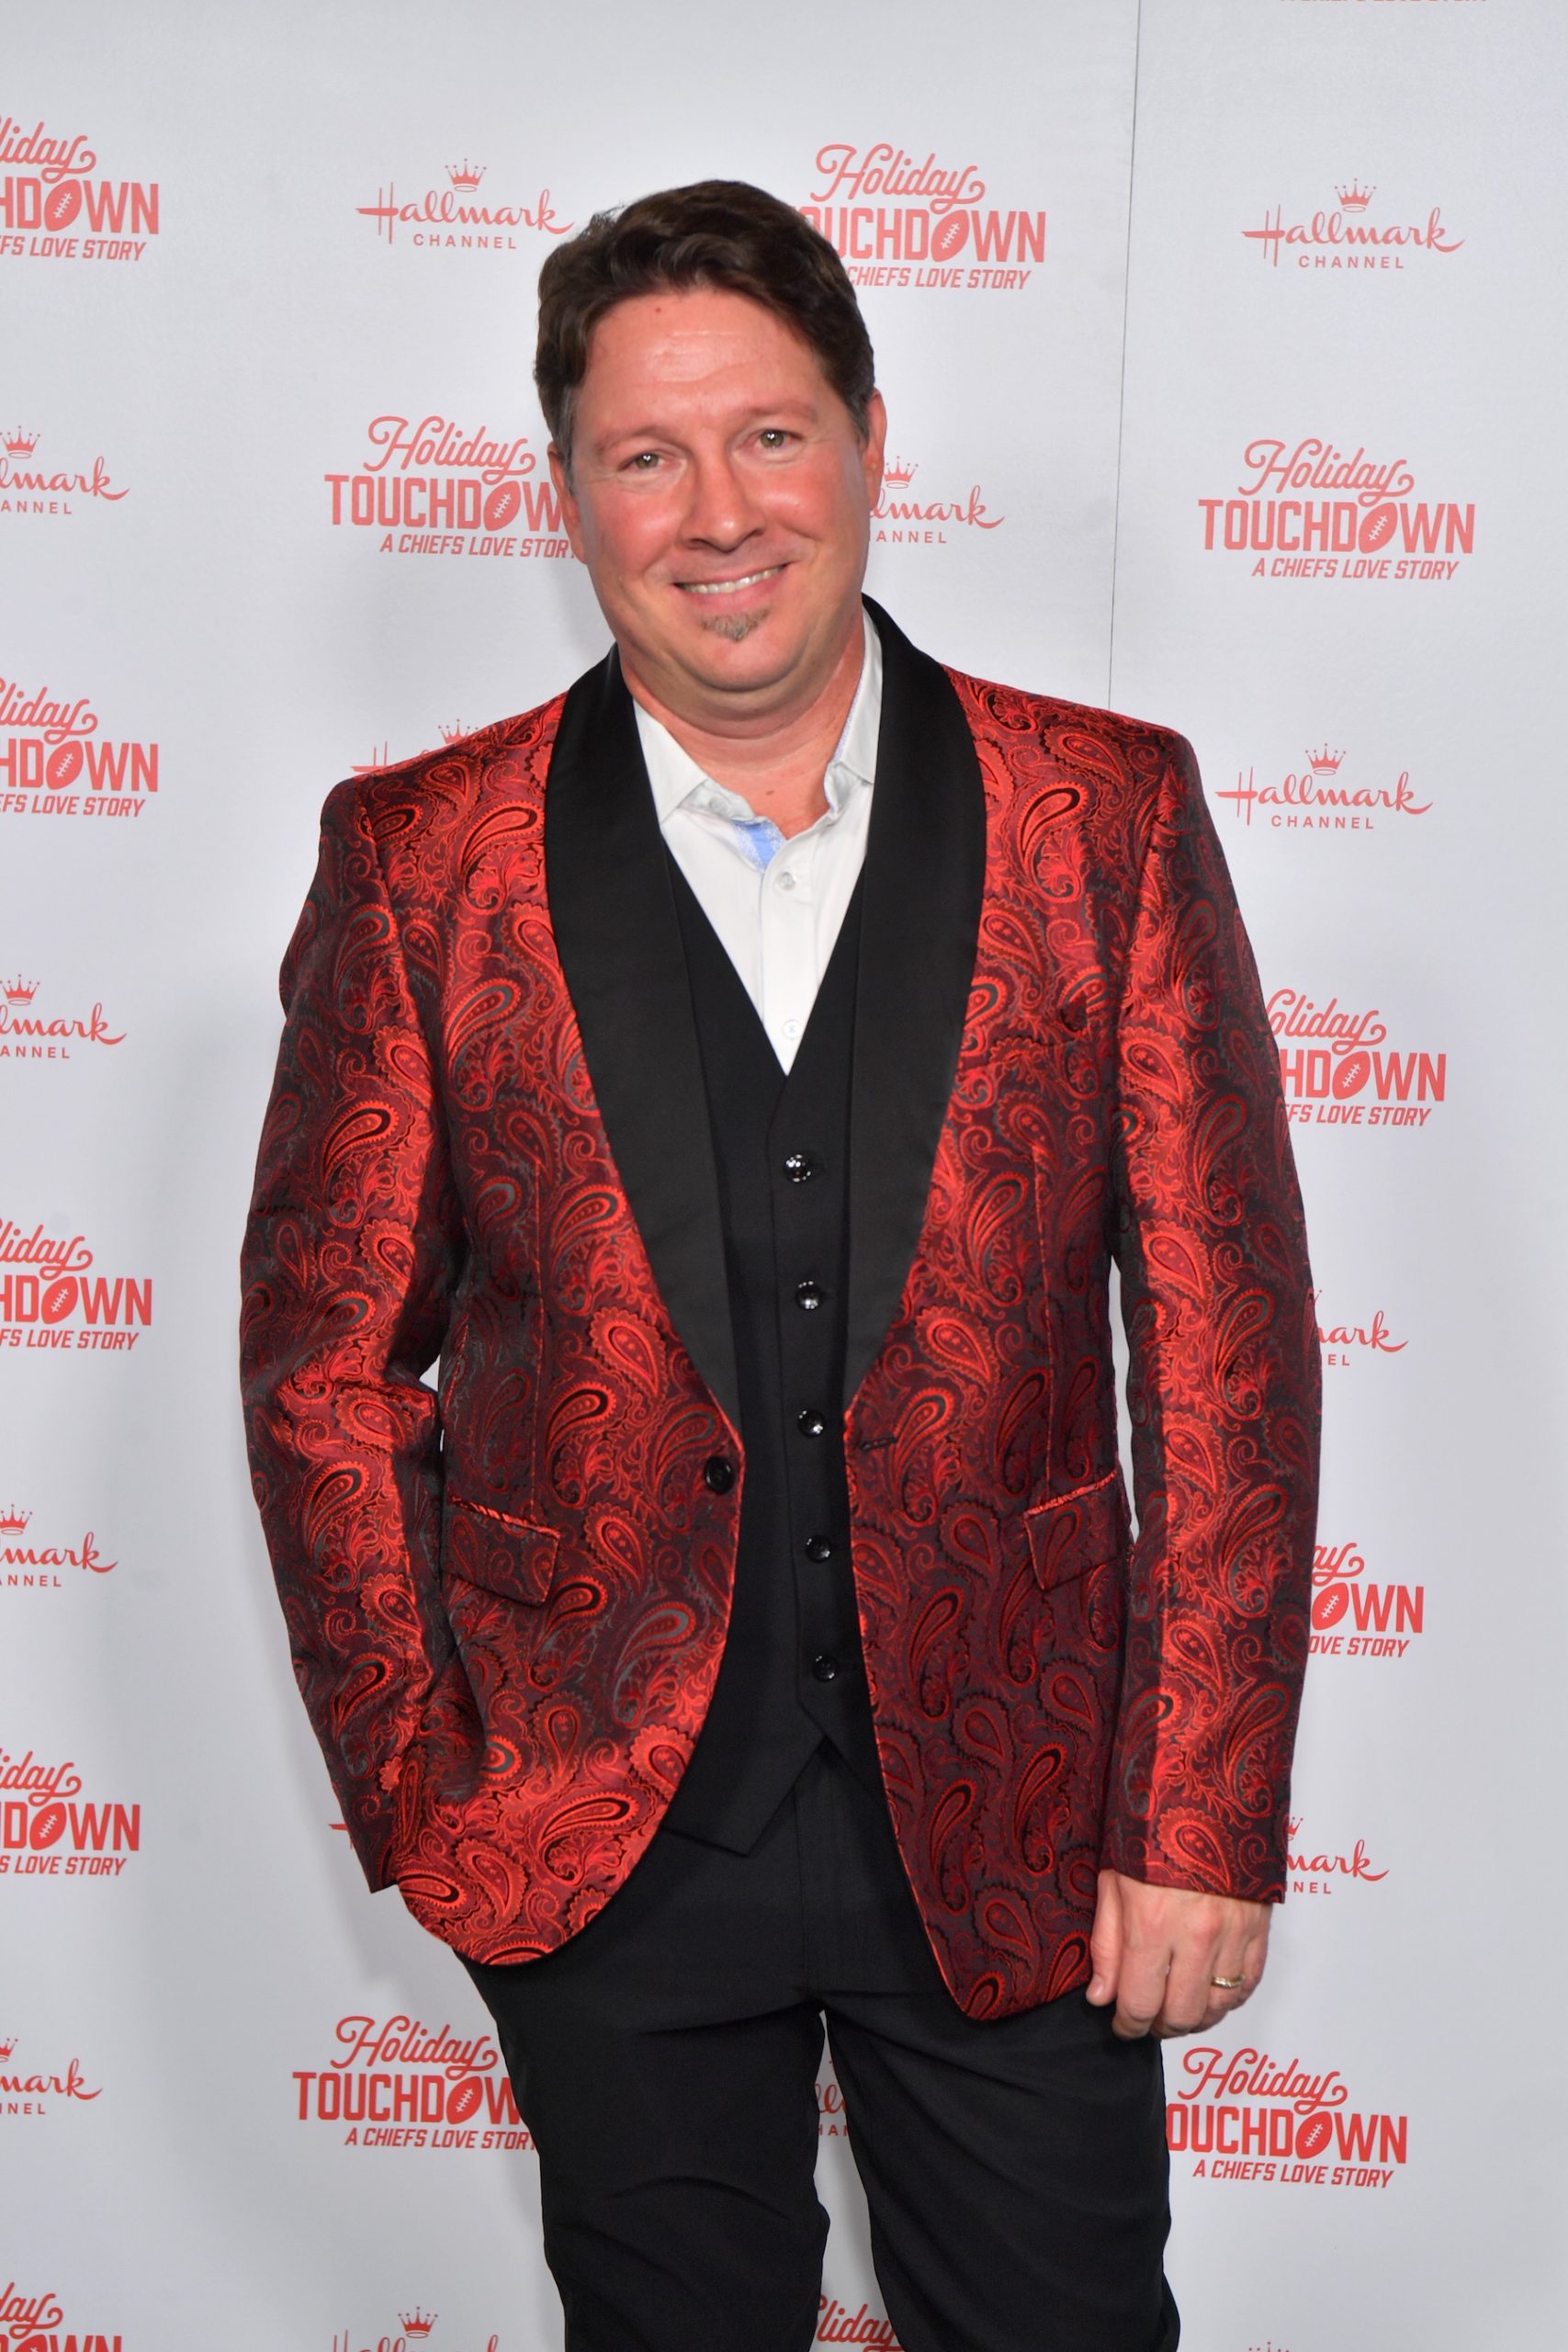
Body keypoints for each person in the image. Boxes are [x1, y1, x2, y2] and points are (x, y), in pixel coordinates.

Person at [241, 180, 1319, 2352]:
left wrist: (1198, 1806)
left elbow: (1223, 1347)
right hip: (600, 1824)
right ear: (568, 493)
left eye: (767, 435)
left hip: (1019, 1817)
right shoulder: (422, 857)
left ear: (868, 440)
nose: (716, 511)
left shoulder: (1102, 816)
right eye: (644, 454)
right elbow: (324, 1365)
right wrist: (436, 1785)